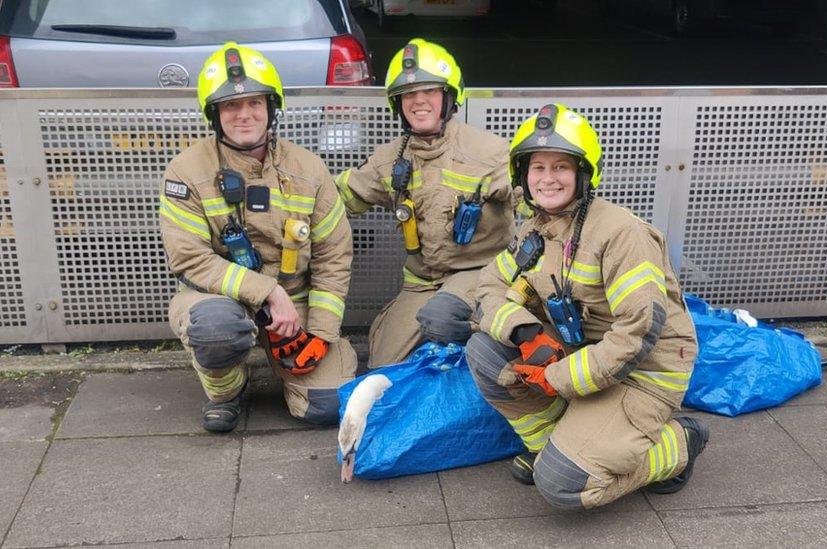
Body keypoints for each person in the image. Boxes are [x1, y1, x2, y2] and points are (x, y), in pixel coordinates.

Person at [465, 103, 709, 510]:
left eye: (561, 167)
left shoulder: (621, 233)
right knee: (484, 350)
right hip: (583, 362)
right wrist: (525, 332)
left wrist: (557, 376)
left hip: (642, 374)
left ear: (583, 174)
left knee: (563, 487)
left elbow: (639, 332)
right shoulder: (536, 229)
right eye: (537, 167)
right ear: (522, 175)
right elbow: (488, 285)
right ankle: (551, 444)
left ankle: (680, 442)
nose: (548, 179)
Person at [159, 42, 356, 432]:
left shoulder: (310, 169)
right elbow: (190, 259)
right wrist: (268, 291)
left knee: (326, 408)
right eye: (231, 106)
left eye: (255, 103)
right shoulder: (185, 171)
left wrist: (319, 332)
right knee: (216, 329)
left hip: (294, 304)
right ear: (214, 114)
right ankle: (227, 389)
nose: (244, 114)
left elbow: (334, 255)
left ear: (271, 108)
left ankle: (302, 366)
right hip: (221, 299)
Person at [334, 38, 514, 367]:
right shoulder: (389, 159)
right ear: (397, 103)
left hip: (478, 273)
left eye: (429, 91)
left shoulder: (490, 152)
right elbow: (338, 199)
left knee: (442, 318)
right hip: (421, 282)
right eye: (408, 94)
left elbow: (538, 207)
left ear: (449, 97)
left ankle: (487, 352)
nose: (419, 102)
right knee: (382, 366)